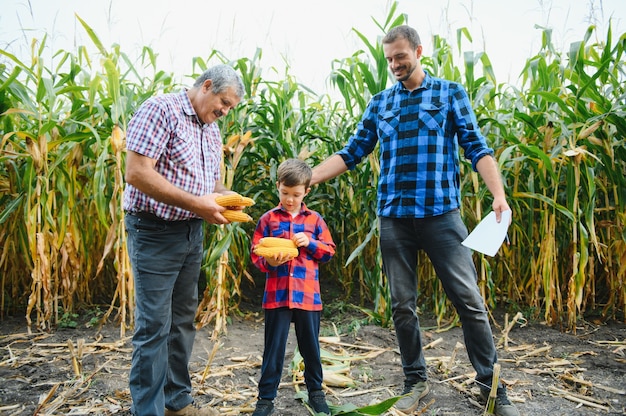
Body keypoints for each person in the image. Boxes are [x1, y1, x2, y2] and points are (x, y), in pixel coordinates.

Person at [310, 25, 520, 416]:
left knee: (469, 302)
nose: (394, 65)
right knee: (402, 306)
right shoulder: (379, 104)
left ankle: (491, 389)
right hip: (394, 219)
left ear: (419, 51)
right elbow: (351, 152)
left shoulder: (449, 93)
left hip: (442, 217)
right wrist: (308, 178)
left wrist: (498, 194)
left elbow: (478, 148)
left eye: (400, 57)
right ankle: (416, 383)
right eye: (389, 59)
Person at [123, 64, 245, 416]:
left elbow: (210, 185)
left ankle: (176, 401)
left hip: (191, 232)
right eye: (223, 102)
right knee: (154, 327)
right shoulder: (161, 110)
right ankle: (148, 410)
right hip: (155, 232)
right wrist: (199, 204)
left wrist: (227, 197)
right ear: (206, 86)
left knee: (182, 322)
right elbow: (137, 172)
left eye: (230, 108)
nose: (224, 112)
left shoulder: (211, 128)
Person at [250, 158, 336, 416]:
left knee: (311, 347)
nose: (290, 199)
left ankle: (316, 393)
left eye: (296, 194)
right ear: (278, 187)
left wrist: (309, 243)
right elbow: (256, 253)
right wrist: (269, 261)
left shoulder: (315, 221)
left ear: (306, 192)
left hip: (307, 296)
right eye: (285, 193)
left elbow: (329, 252)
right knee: (273, 350)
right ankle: (265, 399)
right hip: (277, 295)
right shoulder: (268, 220)